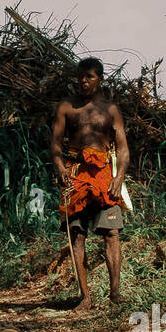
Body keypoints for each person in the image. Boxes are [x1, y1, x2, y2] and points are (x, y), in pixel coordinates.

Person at [50, 58, 130, 310]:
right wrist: (60, 167)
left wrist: (119, 178)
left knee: (112, 233)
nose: (83, 82)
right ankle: (85, 297)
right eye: (80, 77)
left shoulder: (111, 110)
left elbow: (123, 148)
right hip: (75, 174)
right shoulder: (67, 107)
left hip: (105, 175)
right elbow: (54, 143)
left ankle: (115, 293)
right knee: (77, 235)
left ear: (100, 79)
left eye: (89, 77)